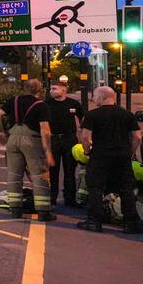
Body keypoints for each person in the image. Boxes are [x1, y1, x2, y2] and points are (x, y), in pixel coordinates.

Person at [77, 86, 143, 234]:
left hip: (100, 155)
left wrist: (87, 151)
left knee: (95, 188)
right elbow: (137, 137)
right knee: (126, 188)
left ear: (101, 97)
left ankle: (95, 221)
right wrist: (130, 152)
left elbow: (86, 137)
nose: (94, 99)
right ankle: (131, 223)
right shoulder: (127, 114)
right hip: (122, 156)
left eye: (94, 96)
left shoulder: (92, 115)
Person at [0, 78, 55, 221]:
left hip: (13, 139)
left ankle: (15, 210)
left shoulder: (13, 101)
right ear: (40, 90)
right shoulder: (41, 105)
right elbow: (45, 130)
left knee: (14, 175)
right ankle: (44, 212)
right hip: (32, 141)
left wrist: (1, 132)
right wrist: (48, 151)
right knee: (39, 176)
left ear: (25, 89)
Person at [46, 77, 85, 208]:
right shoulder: (47, 104)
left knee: (70, 170)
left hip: (70, 140)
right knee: (53, 171)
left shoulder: (73, 104)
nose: (51, 91)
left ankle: (70, 198)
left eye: (54, 89)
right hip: (54, 139)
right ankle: (52, 197)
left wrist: (82, 134)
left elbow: (83, 119)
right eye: (51, 89)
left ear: (64, 90)